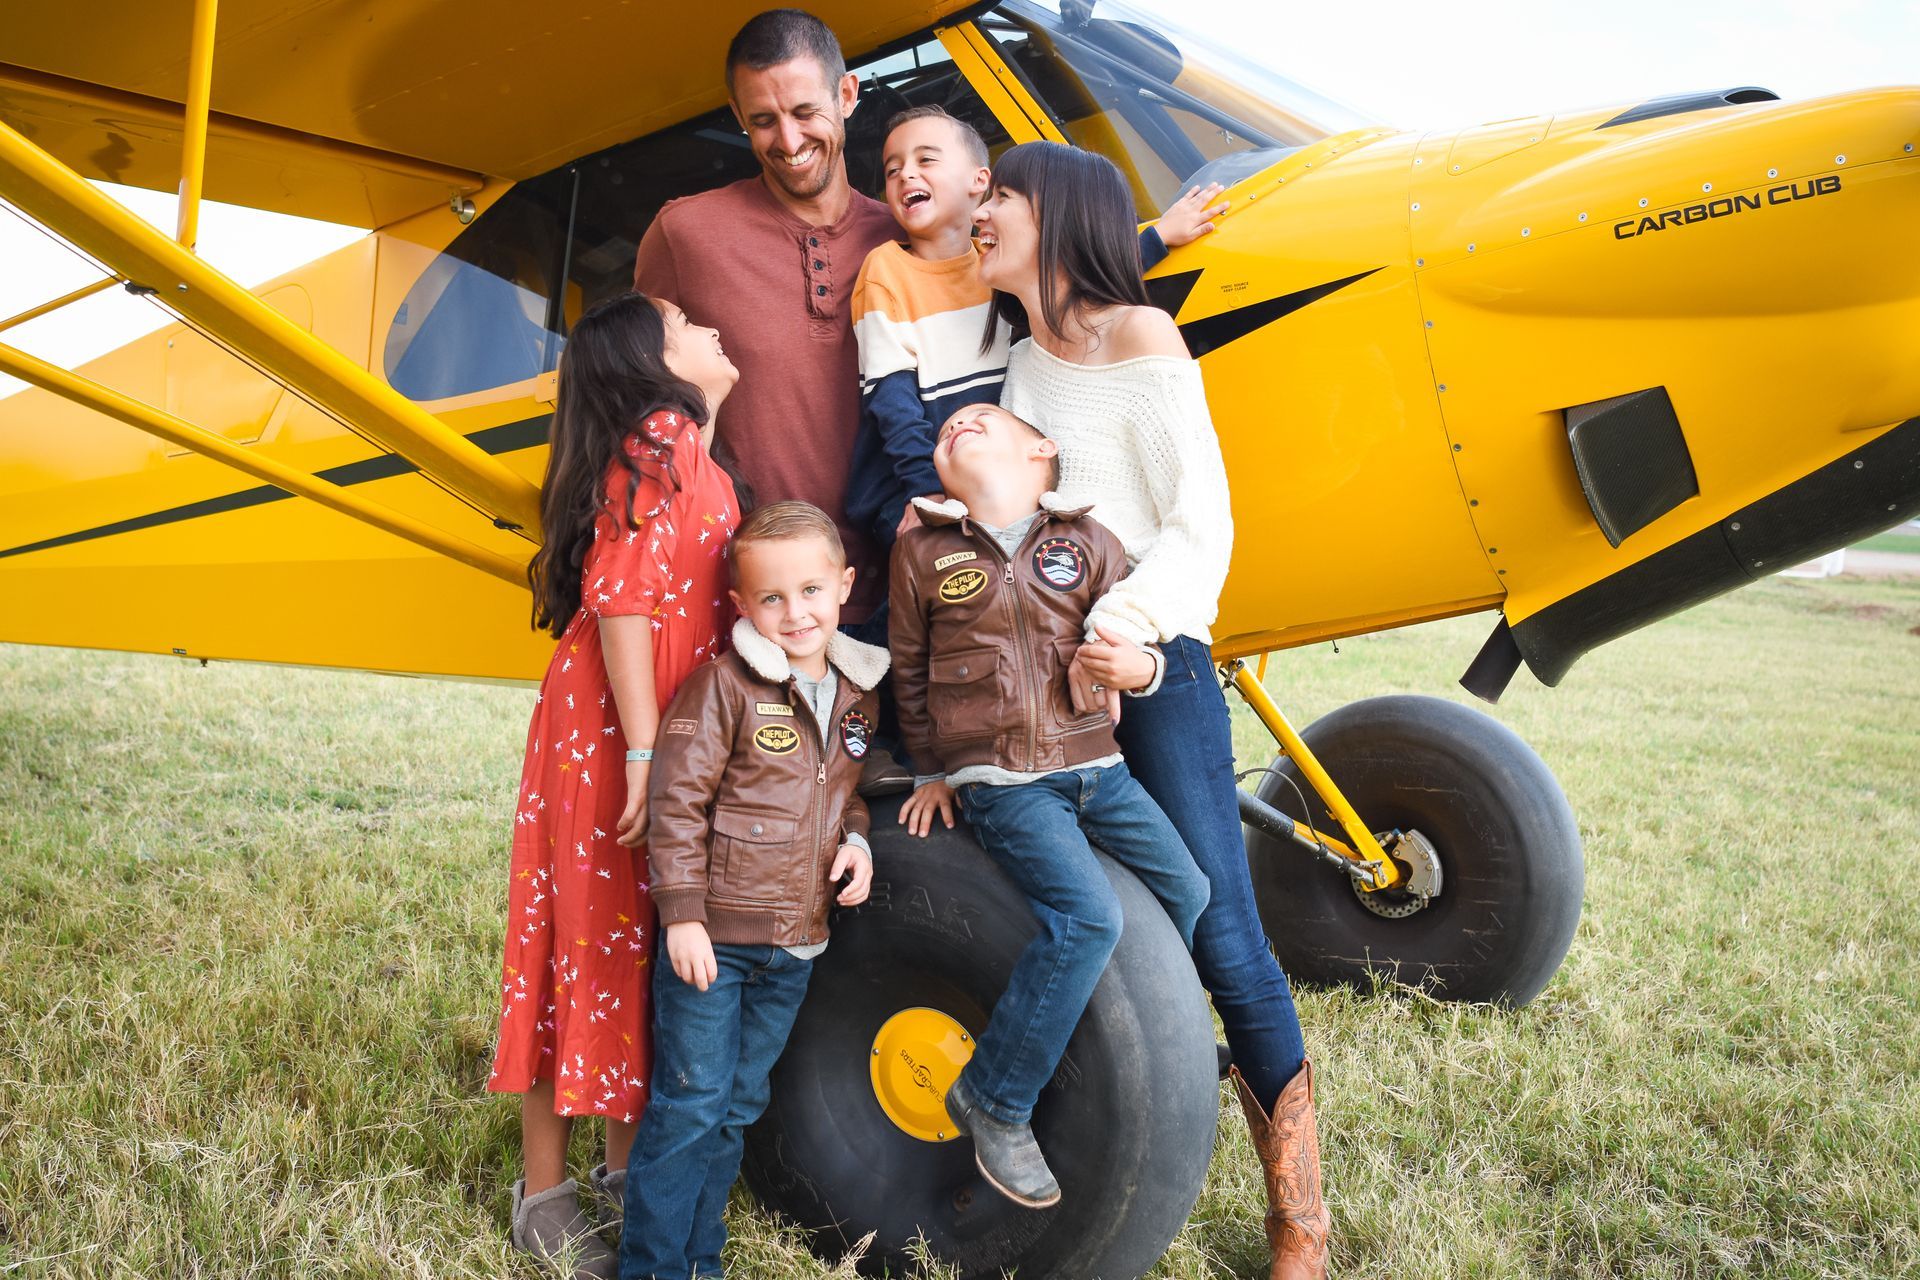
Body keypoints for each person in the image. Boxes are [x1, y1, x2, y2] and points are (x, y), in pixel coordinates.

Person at [977, 140, 1332, 1279]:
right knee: (1076, 912)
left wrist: (1123, 627)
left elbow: (1201, 525)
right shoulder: (1026, 360)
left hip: (1152, 665)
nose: (980, 214)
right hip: (1053, 688)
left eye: (1000, 198)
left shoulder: (1146, 341)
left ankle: (1301, 1220)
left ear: (1057, 215)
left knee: (1221, 927)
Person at [889, 402, 1210, 1208]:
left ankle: (1167, 1030)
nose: (957, 426)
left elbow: (1130, 634)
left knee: (1191, 890)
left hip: (1097, 767)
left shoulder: (1088, 542)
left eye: (982, 418)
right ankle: (994, 1098)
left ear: (1042, 451)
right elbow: (910, 667)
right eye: (946, 428)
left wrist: (1132, 668)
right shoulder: (920, 550)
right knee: (1088, 917)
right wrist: (931, 768)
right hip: (1001, 782)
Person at [489, 292, 741, 1280]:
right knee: (584, 938)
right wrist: (647, 751)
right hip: (613, 731)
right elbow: (625, 599)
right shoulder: (664, 435)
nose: (710, 327)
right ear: (655, 363)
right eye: (687, 323)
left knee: (632, 940)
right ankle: (544, 1195)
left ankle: (621, 1174)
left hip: (650, 729)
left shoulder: (704, 457)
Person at [620, 501, 885, 1280]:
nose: (794, 612)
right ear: (742, 606)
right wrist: (683, 917)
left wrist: (861, 841)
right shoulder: (723, 688)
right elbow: (677, 803)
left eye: (810, 591)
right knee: (690, 1106)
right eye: (771, 598)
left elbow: (844, 794)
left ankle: (701, 1261)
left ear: (844, 585)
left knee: (736, 1107)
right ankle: (653, 1267)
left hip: (797, 944)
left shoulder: (859, 691)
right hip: (718, 944)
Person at [845, 103, 1227, 560]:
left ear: (978, 182)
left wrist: (1156, 238)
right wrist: (928, 490)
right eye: (892, 169)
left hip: (990, 480)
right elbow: (891, 401)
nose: (907, 174)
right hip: (922, 481)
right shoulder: (888, 268)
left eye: (926, 160)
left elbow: (1064, 271)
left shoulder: (995, 268)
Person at [633, 9, 897, 631]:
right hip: (755, 605)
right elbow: (638, 401)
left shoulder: (905, 235)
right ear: (737, 116)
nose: (788, 140)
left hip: (901, 592)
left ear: (848, 94)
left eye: (805, 112)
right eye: (762, 120)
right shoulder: (685, 232)